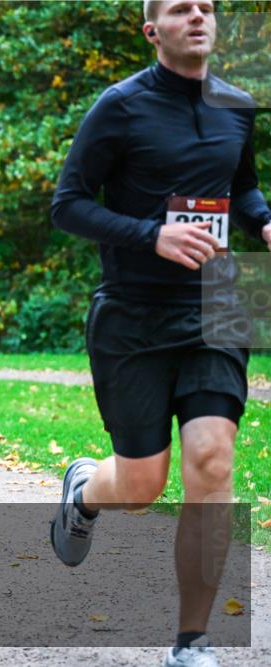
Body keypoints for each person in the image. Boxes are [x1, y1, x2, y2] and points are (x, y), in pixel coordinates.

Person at [50, 2, 271, 665]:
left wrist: (264, 221)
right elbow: (68, 205)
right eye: (181, 8)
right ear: (153, 30)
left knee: (213, 459)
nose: (198, 16)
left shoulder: (238, 106)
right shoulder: (119, 106)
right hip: (133, 312)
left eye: (207, 6)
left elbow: (242, 189)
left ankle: (191, 641)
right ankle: (86, 489)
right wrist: (153, 235)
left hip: (220, 299)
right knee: (143, 484)